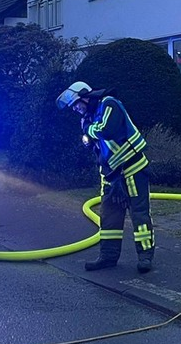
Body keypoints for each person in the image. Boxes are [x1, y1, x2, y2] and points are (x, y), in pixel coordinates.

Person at [56, 81, 155, 273]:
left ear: (86, 96)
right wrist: (111, 175)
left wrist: (89, 130)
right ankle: (108, 256)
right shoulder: (87, 118)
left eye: (77, 103)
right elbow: (97, 149)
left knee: (139, 214)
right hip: (110, 174)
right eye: (73, 107)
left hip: (133, 168)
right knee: (109, 217)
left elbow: (106, 129)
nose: (76, 109)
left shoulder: (109, 104)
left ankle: (145, 258)